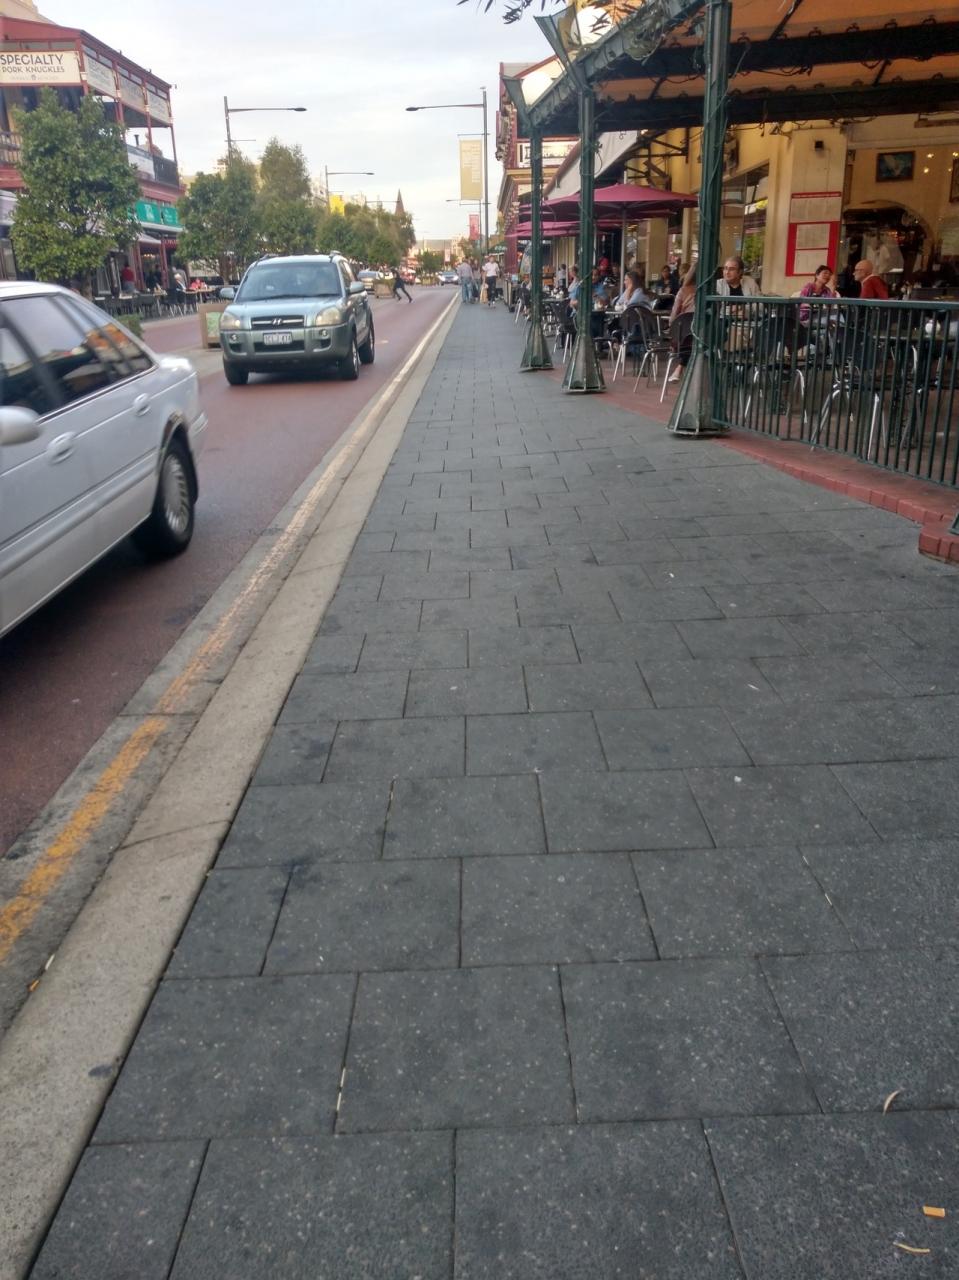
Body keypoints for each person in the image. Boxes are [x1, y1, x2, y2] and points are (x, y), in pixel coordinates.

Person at [667, 265, 697, 381]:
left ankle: (679, 369)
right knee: (696, 341)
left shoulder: (683, 291)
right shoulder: (710, 293)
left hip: (681, 339)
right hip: (701, 338)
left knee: (690, 339)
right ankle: (680, 369)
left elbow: (672, 319)